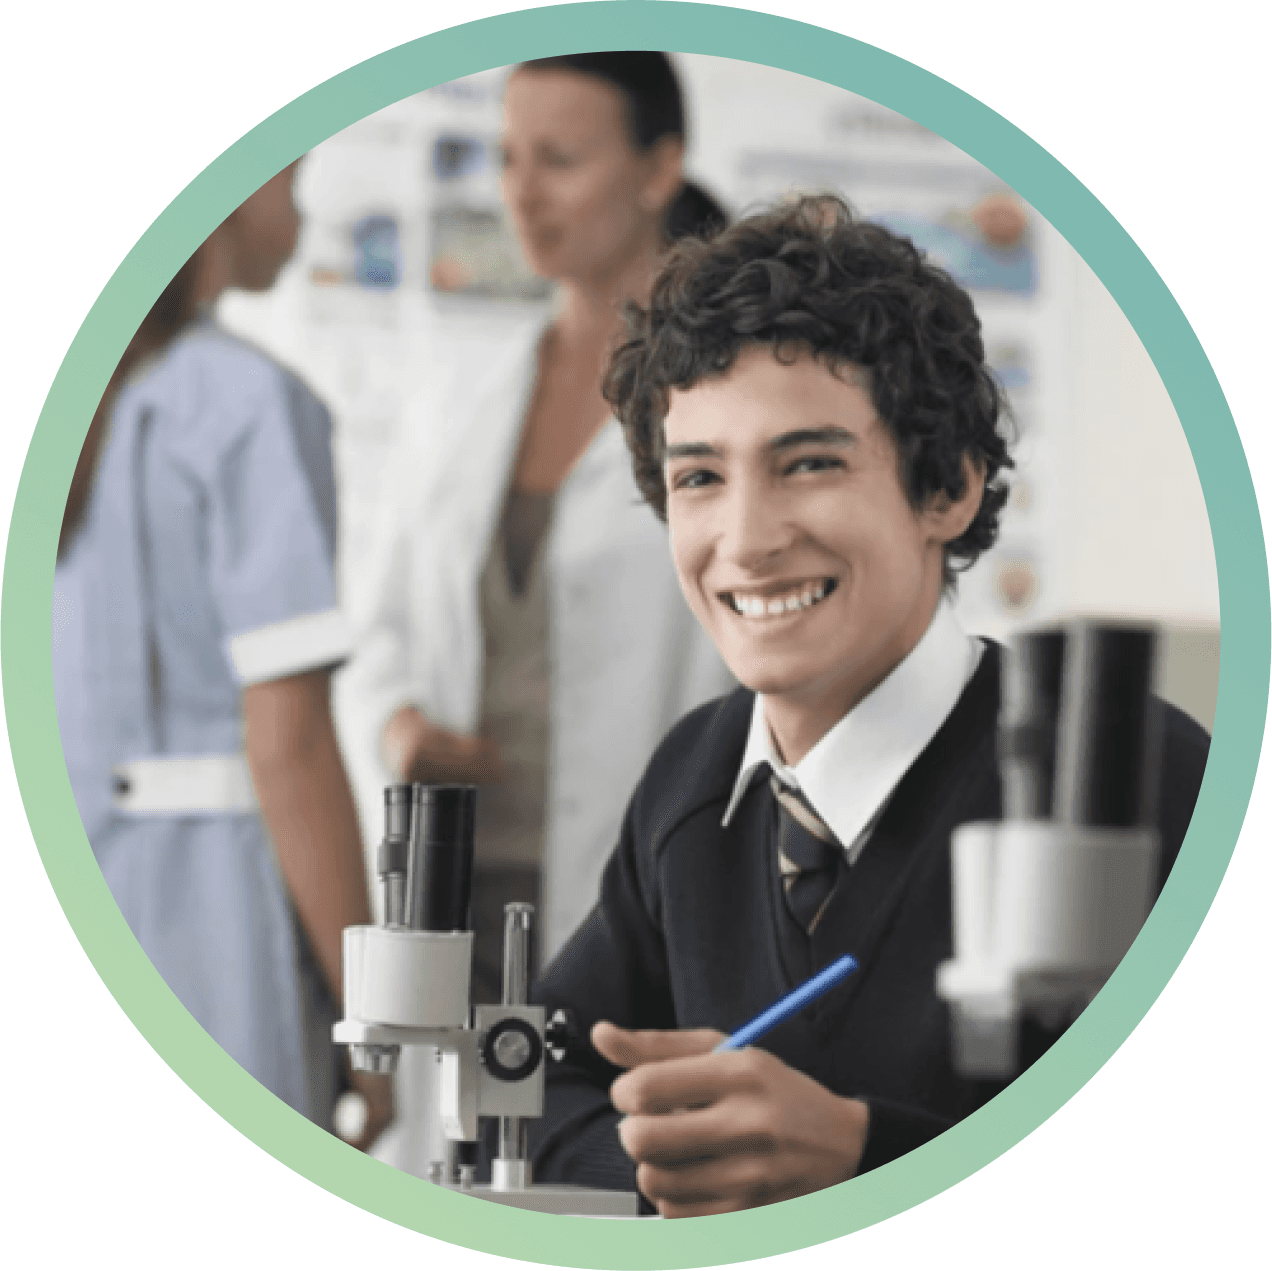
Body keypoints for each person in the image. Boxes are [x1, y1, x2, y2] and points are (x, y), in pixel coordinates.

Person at [529, 194, 1212, 1216]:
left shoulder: (1140, 778)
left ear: (948, 488)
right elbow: (542, 1076)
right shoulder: (694, 779)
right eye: (702, 477)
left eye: (809, 463)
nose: (747, 539)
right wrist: (666, 1171)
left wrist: (863, 1157)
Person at [340, 52, 733, 1002]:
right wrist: (398, 724)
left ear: (656, 168)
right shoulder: (464, 399)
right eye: (508, 158)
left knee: (587, 1139)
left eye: (558, 159)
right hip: (452, 892)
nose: (522, 193)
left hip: (633, 896)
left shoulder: (721, 401)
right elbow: (379, 617)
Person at [52, 163, 391, 1149]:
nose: (305, 208)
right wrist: (371, 1026)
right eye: (292, 179)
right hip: (209, 927)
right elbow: (287, 746)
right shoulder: (245, 404)